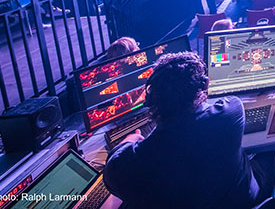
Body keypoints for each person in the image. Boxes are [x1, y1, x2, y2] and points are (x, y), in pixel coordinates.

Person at [104, 52, 264, 208]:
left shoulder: (124, 166)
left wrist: (131, 140)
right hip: (244, 202)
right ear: (205, 84)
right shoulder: (230, 112)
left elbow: (113, 164)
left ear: (152, 98)